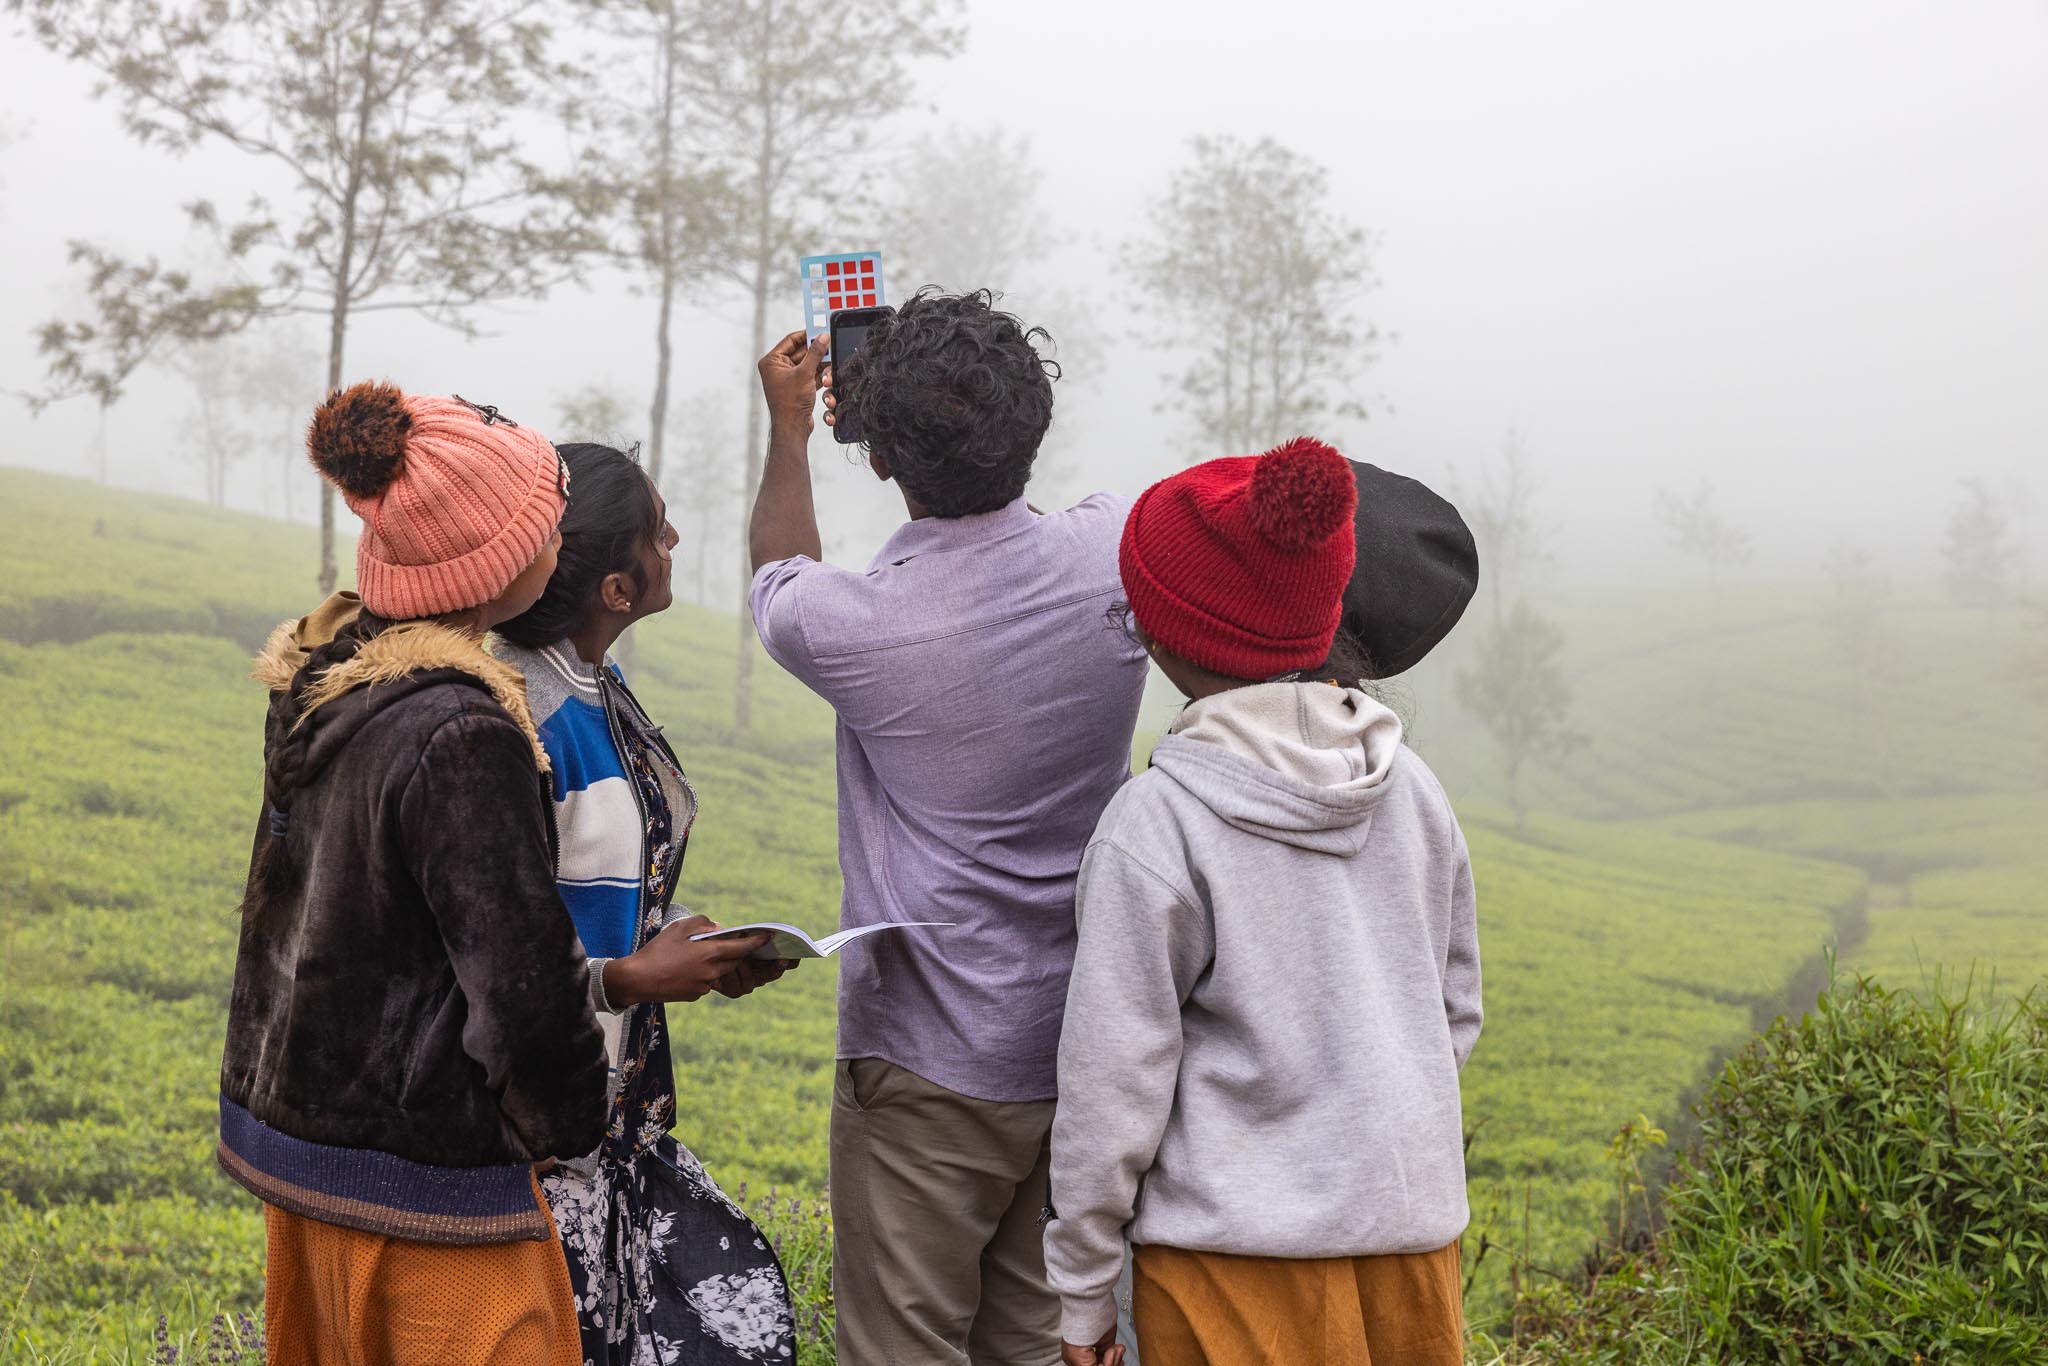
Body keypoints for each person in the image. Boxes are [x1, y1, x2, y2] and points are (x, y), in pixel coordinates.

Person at [748, 290, 1150, 1365]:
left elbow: (776, 575)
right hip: (1081, 1039)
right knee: (1033, 1341)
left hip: (928, 1060)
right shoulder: (1118, 550)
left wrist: (790, 431)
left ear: (878, 460)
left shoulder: (859, 624)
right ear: (1033, 424)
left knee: (903, 1349)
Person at [1043, 437, 1483, 1366]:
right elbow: (1454, 1011)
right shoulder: (1414, 789)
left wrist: (1081, 1291)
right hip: (1414, 1252)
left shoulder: (1155, 826)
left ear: (1164, 637)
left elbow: (1110, 1085)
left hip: (1231, 1265)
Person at [218, 384, 605, 1365]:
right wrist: (568, 1122)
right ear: (498, 564)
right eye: (544, 523)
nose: (558, 538)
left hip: (308, 1160)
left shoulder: (336, 684)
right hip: (425, 1189)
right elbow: (518, 976)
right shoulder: (464, 731)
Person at [494, 441, 800, 1365]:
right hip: (543, 1145)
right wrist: (624, 978)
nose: (674, 537)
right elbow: (486, 950)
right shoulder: (516, 716)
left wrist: (677, 942)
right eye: (656, 531)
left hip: (612, 1114)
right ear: (616, 590)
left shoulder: (596, 683)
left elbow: (598, 883)